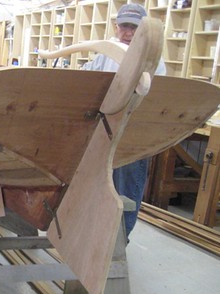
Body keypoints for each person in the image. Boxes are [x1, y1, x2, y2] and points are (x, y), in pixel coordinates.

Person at [82, 4, 166, 238]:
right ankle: (96, 234)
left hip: (133, 135)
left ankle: (119, 240)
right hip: (104, 131)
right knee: (98, 186)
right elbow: (85, 76)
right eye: (124, 27)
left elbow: (156, 101)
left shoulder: (154, 61)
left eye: (135, 29)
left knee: (126, 189)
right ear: (116, 27)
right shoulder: (105, 53)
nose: (128, 33)